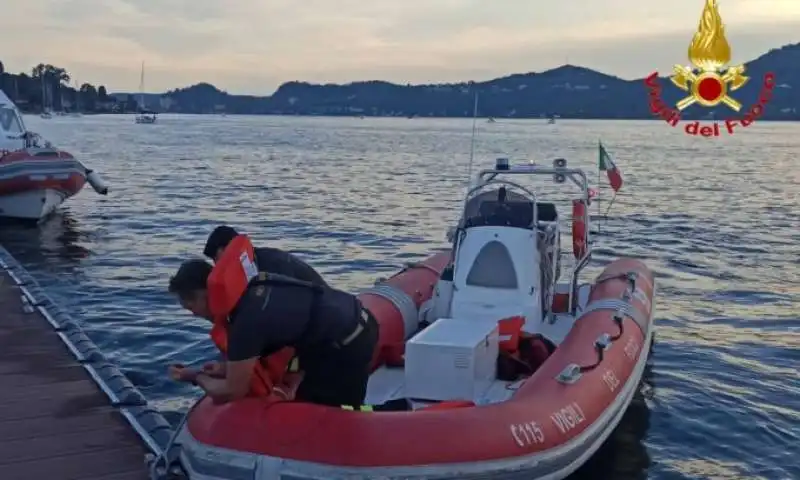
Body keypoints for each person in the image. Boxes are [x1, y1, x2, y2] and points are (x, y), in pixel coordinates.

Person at [168, 236, 379, 407]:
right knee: (309, 398)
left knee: (336, 414)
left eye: (190, 308)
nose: (194, 315)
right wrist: (225, 368)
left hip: (349, 342)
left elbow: (232, 391)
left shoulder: (245, 322)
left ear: (200, 296)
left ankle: (396, 414)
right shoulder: (251, 291)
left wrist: (195, 377)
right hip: (341, 328)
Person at [203, 225, 328, 286]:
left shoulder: (266, 267)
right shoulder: (257, 259)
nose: (217, 266)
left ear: (229, 249)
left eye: (217, 258)